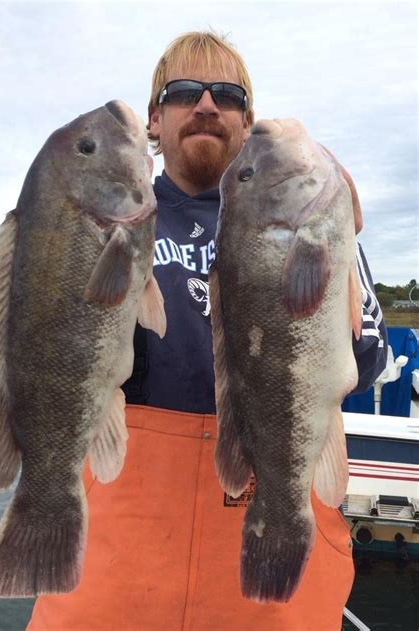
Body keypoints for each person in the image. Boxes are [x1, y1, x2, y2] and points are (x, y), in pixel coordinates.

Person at [27, 31, 387, 630]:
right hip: (115, 569)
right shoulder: (109, 215)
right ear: (152, 120)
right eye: (184, 92)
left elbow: (364, 360)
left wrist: (341, 236)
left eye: (226, 94)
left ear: (247, 122)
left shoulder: (306, 214)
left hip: (275, 571)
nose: (206, 105)